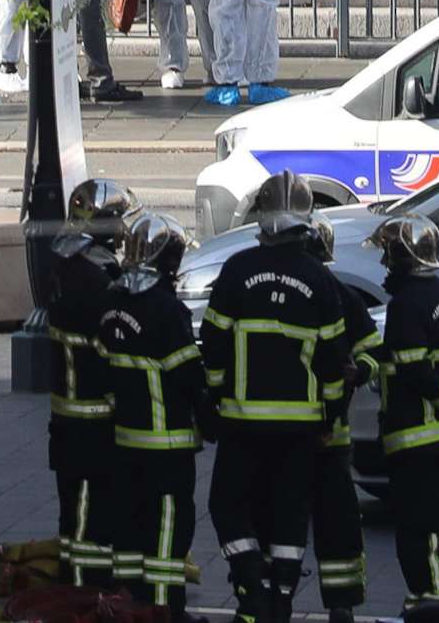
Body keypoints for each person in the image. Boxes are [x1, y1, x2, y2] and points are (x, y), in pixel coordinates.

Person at [202, 174, 355, 623]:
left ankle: (252, 585)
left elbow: (213, 344)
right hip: (301, 431)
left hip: (241, 424)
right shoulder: (321, 281)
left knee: (228, 506)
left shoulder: (237, 270)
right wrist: (329, 416)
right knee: (289, 515)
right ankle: (281, 598)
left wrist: (214, 394)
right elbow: (333, 364)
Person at [365, 214, 439, 603]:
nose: (384, 263)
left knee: (418, 534)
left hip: (413, 441)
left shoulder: (405, 305)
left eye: (387, 254)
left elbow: (414, 369)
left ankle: (432, 608)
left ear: (400, 257)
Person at [99, 212, 208, 618]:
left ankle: (127, 604)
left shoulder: (112, 303)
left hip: (125, 441)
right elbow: (188, 376)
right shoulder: (167, 310)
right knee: (167, 532)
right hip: (168, 446)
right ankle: (164, 610)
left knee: (129, 529)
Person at [49, 178, 140, 586]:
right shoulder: (94, 283)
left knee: (80, 512)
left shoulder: (71, 270)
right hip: (91, 422)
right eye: (118, 221)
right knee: (88, 512)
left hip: (73, 422)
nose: (123, 231)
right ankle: (85, 592)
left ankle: (83, 580)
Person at [305, 214, 381, 623]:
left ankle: (340, 606)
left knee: (334, 525)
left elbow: (372, 347)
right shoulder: (327, 292)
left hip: (319, 439)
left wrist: (363, 369)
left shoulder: (340, 295)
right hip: (310, 437)